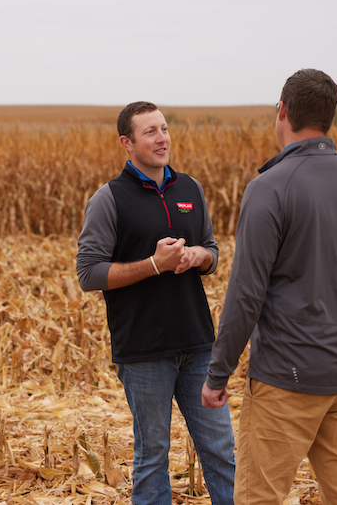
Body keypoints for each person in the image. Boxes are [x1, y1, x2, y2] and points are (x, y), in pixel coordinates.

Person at [202, 69, 337, 504]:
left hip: (288, 376)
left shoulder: (270, 187)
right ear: (330, 118)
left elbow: (247, 292)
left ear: (282, 110)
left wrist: (218, 373)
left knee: (258, 497)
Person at [77, 101, 235, 505]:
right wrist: (153, 264)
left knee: (221, 452)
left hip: (199, 344)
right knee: (152, 456)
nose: (162, 138)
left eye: (164, 129)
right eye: (150, 132)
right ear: (126, 143)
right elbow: (89, 274)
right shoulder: (108, 199)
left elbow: (213, 251)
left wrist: (201, 257)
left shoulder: (190, 189)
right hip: (144, 351)